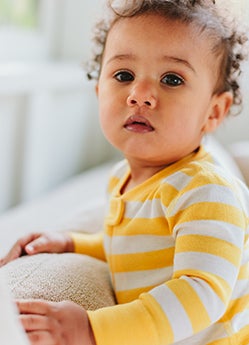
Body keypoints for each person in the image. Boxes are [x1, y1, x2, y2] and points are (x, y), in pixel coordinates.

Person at [1, 0, 249, 344]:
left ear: (213, 111)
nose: (140, 95)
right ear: (99, 90)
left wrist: (91, 328)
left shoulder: (206, 190)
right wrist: (72, 243)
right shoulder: (123, 179)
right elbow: (135, 247)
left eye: (172, 79)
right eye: (124, 75)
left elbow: (202, 293)